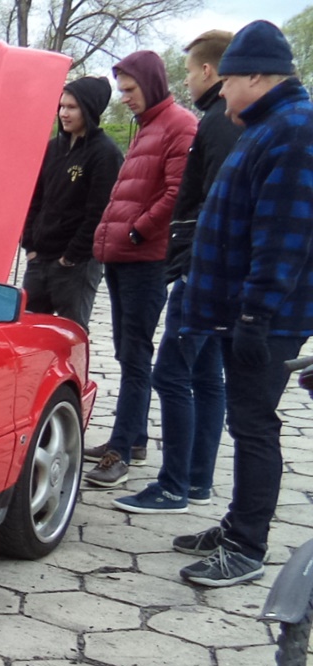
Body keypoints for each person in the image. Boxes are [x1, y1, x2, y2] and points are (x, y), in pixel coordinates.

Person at [172, 20, 313, 586]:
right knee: (244, 420)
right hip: (242, 312)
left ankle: (247, 547)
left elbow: (285, 234)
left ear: (257, 75)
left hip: (266, 318)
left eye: (228, 81)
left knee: (255, 425)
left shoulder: (296, 130)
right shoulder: (268, 125)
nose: (221, 91)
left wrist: (256, 314)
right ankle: (235, 524)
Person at [114, 30, 243, 515]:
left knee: (171, 373)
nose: (185, 79)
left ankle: (173, 487)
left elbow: (205, 202)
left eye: (189, 70)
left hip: (202, 273)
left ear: (209, 71)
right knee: (207, 376)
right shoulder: (220, 120)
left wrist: (187, 265)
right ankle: (198, 480)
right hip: (211, 272)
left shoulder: (215, 123)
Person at [83, 49, 198, 489]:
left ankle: (119, 452)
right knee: (127, 352)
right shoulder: (149, 126)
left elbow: (176, 193)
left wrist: (137, 231)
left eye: (130, 90)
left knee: (134, 357)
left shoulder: (179, 126)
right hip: (122, 258)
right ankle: (132, 438)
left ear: (150, 83)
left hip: (144, 260)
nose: (125, 98)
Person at [20, 76, 122, 330]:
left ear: (89, 109)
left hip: (75, 265)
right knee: (26, 330)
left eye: (72, 107)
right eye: (61, 106)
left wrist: (71, 257)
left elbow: (99, 212)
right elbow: (35, 198)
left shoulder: (105, 153)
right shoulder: (52, 148)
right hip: (39, 258)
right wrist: (30, 243)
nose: (64, 113)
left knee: (70, 333)